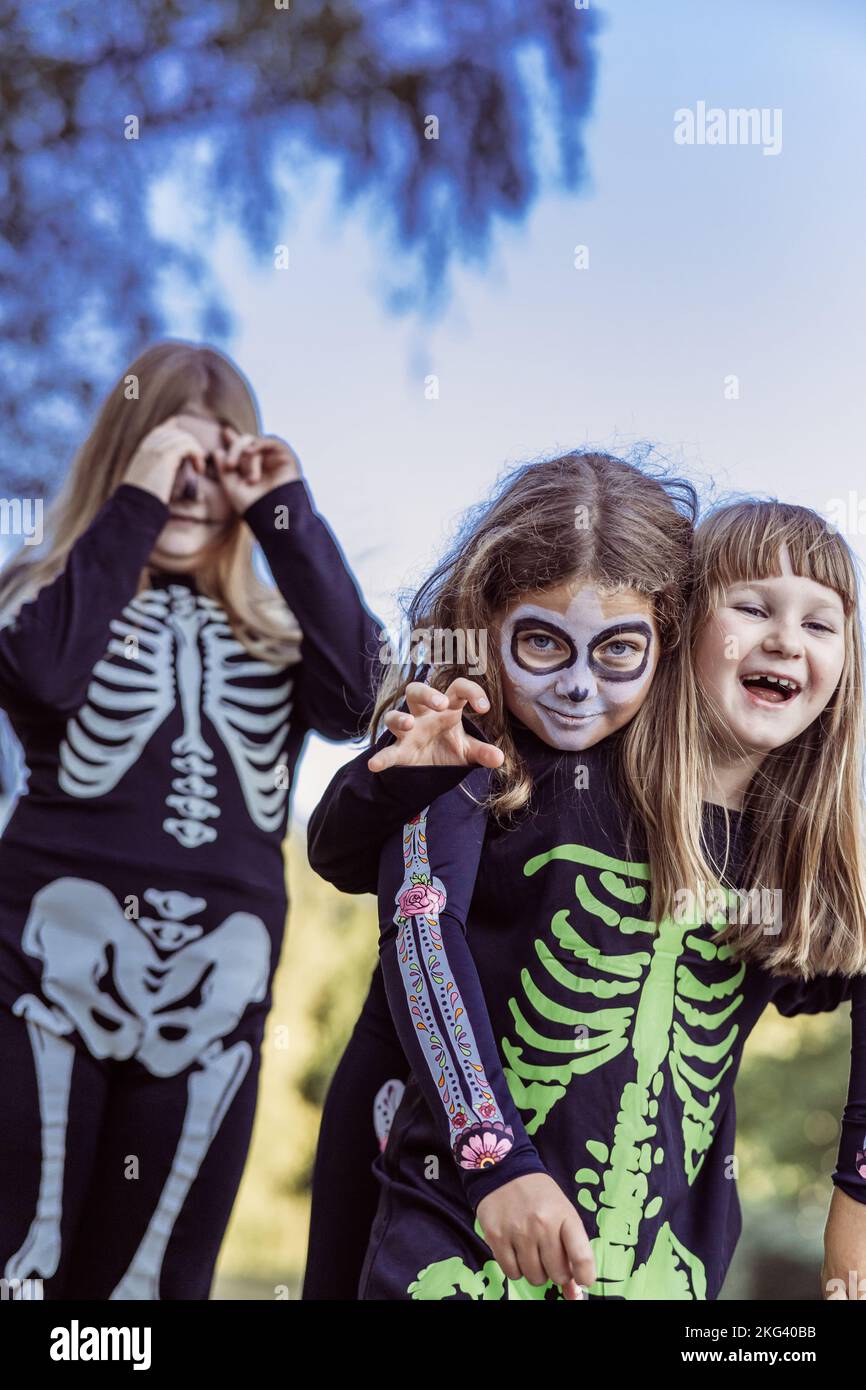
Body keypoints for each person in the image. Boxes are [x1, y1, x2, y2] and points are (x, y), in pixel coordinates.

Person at [305, 462, 864, 1299]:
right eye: (751, 607)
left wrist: (854, 1195)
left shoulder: (788, 853)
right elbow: (397, 906)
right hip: (452, 1222)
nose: (785, 637)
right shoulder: (508, 757)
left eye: (821, 622)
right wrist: (495, 1162)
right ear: (684, 631)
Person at [0, 339, 382, 1300]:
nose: (195, 485)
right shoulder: (46, 601)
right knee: (16, 1263)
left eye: (223, 464)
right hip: (40, 979)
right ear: (127, 459)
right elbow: (41, 678)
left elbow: (365, 695)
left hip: (213, 1009)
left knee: (155, 1286)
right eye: (173, 458)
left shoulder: (276, 636)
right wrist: (131, 504)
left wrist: (289, 517)